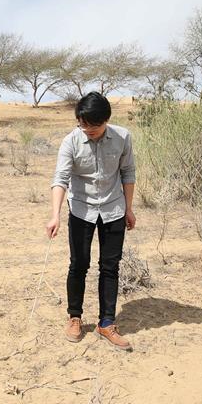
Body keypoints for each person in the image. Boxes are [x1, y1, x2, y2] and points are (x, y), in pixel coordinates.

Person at [46, 92, 136, 351]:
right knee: (79, 264)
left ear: (106, 120)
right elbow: (60, 178)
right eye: (82, 124)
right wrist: (55, 215)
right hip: (81, 210)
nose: (87, 130)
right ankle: (74, 316)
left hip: (113, 209)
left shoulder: (122, 137)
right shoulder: (71, 141)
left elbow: (128, 172)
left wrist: (129, 208)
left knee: (110, 266)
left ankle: (107, 323)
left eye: (93, 126)